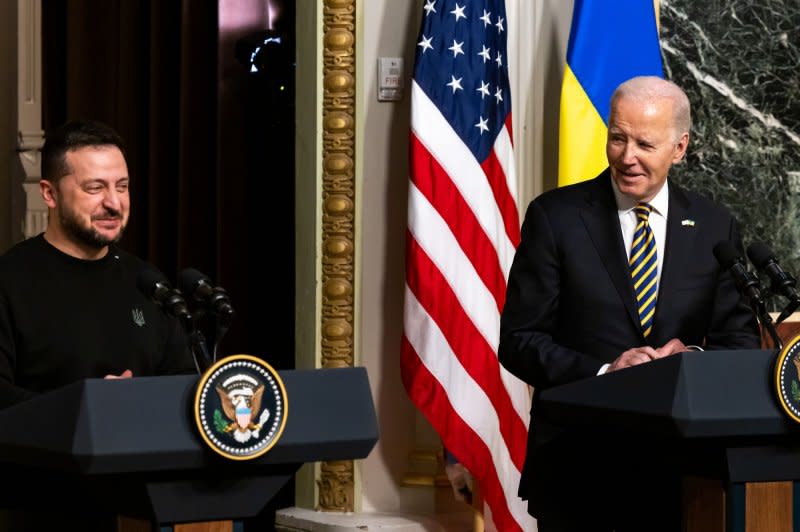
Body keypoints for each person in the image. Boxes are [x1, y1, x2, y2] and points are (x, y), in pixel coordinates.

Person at [498, 77, 760, 531]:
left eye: (644, 142)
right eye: (617, 137)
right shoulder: (555, 217)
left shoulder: (716, 226)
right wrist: (605, 374)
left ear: (679, 148)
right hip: (579, 464)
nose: (627, 156)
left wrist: (690, 362)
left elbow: (737, 340)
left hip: (685, 471)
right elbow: (520, 341)